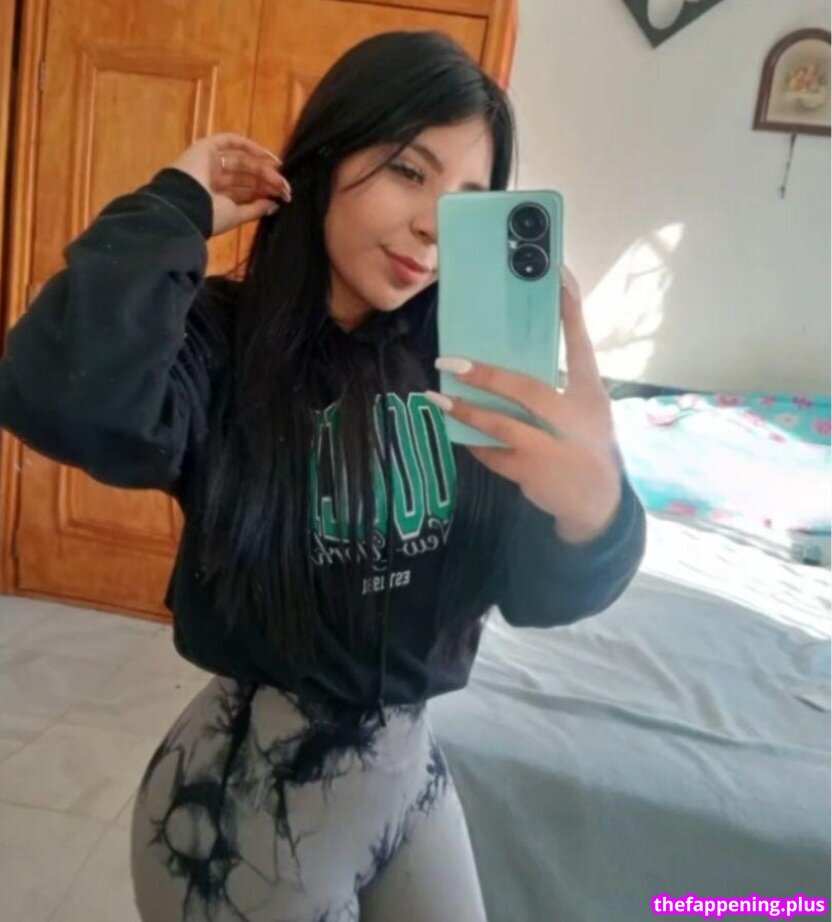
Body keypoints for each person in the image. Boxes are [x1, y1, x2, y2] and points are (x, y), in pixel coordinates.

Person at [0, 30, 646, 922]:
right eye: (408, 171)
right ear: (327, 157)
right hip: (239, 817)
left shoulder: (467, 371)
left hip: (411, 780)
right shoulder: (221, 341)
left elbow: (534, 592)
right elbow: (60, 396)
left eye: (467, 201)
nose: (432, 226)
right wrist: (173, 207)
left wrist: (595, 509)